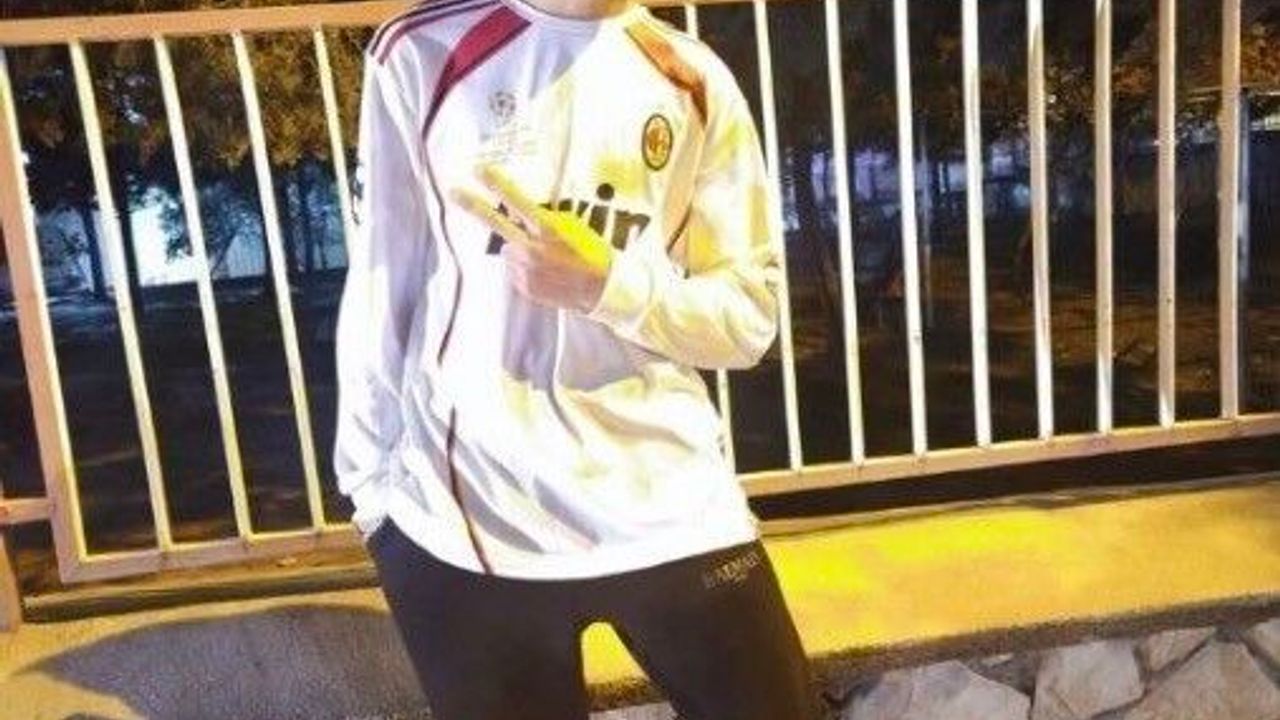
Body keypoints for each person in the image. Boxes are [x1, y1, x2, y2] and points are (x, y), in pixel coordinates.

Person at [332, 0, 824, 717]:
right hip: (471, 519)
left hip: (675, 507)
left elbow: (748, 320)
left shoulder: (694, 79)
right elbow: (385, 275)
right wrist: (372, 497)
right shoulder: (419, 52)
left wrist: (608, 286)